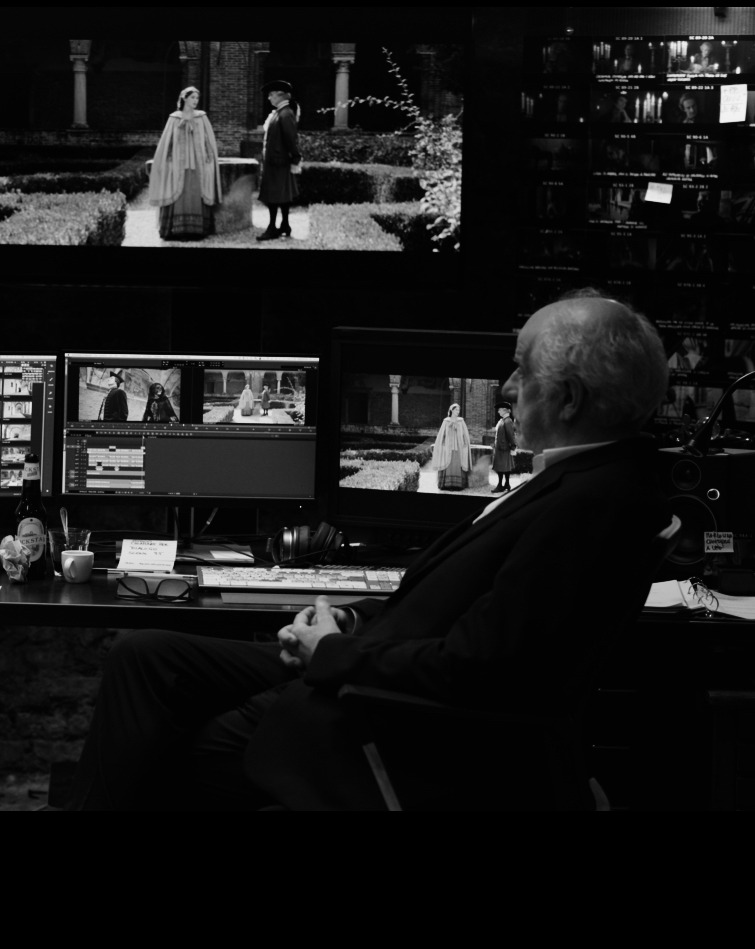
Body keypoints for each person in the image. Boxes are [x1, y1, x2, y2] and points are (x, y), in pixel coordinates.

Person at [66, 290, 673, 809]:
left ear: (568, 399)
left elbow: (475, 667)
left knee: (158, 749)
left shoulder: (591, 504)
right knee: (144, 656)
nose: (509, 386)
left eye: (522, 370)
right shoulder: (580, 481)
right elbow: (449, 606)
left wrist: (332, 651)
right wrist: (350, 620)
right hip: (368, 659)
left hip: (380, 713)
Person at [149, 85, 221, 240]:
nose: (196, 100)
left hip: (198, 163)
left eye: (197, 98)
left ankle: (197, 230)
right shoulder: (174, 118)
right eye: (192, 97)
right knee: (177, 191)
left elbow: (208, 140)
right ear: (184, 98)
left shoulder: (201, 117)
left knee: (196, 192)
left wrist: (209, 156)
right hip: (178, 164)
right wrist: (168, 159)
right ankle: (176, 230)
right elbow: (167, 141)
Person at [255, 80, 301, 241]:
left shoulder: (285, 114)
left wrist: (295, 157)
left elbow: (291, 138)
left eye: (271, 94)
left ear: (280, 95)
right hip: (275, 161)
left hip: (278, 162)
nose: (269, 98)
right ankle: (285, 225)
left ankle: (272, 228)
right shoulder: (280, 112)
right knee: (281, 194)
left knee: (274, 195)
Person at [433, 402, 471, 490]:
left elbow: (465, 434)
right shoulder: (446, 421)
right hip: (448, 446)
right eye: (456, 410)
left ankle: (458, 485)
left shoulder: (461, 421)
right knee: (447, 463)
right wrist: (442, 444)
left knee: (458, 463)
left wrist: (465, 443)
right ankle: (446, 484)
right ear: (452, 410)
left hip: (458, 446)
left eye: (458, 410)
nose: (458, 411)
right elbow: (442, 434)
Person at [490, 403, 519, 493]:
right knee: (504, 467)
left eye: (499, 409)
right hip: (501, 448)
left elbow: (511, 435)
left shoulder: (507, 421)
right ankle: (506, 484)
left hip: (504, 448)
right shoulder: (503, 420)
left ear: (504, 410)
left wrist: (513, 446)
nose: (498, 411)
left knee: (502, 467)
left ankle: (500, 485)